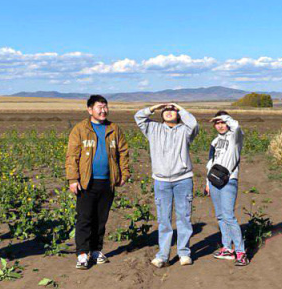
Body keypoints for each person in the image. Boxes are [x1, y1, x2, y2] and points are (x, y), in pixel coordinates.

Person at [65, 95, 131, 270]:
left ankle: (95, 250)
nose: (103, 110)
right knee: (85, 218)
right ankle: (82, 253)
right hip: (87, 182)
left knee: (101, 219)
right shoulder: (80, 129)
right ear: (90, 110)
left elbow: (123, 152)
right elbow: (72, 156)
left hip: (107, 182)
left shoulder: (114, 129)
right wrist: (73, 179)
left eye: (105, 107)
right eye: (99, 107)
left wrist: (124, 173)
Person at [135, 102, 199, 267]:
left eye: (172, 110)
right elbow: (139, 117)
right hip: (161, 181)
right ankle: (163, 255)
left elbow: (194, 124)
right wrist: (153, 108)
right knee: (164, 219)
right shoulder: (153, 129)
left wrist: (180, 108)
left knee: (184, 217)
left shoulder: (185, 131)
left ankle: (184, 253)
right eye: (166, 110)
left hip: (183, 179)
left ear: (177, 114)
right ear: (160, 113)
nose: (169, 112)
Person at [205, 111, 248, 266]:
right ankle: (227, 248)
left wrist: (226, 118)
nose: (220, 125)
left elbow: (236, 126)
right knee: (220, 216)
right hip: (214, 181)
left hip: (229, 180)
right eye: (217, 123)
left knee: (229, 216)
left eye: (222, 122)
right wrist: (206, 182)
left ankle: (241, 252)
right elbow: (211, 162)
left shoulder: (235, 137)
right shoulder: (215, 141)